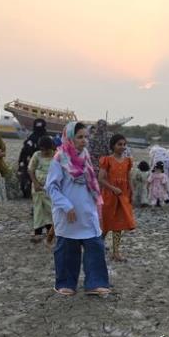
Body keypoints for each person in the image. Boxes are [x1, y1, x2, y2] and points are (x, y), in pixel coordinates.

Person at [45, 122, 110, 297]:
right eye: (80, 137)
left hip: (87, 210)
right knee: (67, 248)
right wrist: (66, 206)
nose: (84, 141)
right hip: (68, 213)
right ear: (69, 137)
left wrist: (97, 208)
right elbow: (51, 187)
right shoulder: (60, 158)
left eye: (86, 137)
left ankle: (95, 283)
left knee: (95, 245)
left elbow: (91, 185)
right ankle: (66, 283)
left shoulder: (85, 156)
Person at [98, 134, 136, 262]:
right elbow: (101, 179)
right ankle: (98, 247)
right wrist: (113, 188)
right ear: (113, 145)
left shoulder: (127, 161)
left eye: (124, 144)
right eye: (119, 144)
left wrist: (132, 191)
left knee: (119, 224)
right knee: (106, 223)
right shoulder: (107, 160)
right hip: (109, 196)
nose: (122, 147)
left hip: (123, 196)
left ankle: (116, 252)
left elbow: (128, 178)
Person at [28, 136, 55, 243]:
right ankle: (37, 232)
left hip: (51, 187)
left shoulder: (56, 155)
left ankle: (50, 230)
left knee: (50, 208)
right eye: (42, 149)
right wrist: (35, 183)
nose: (44, 152)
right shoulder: (37, 155)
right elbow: (31, 170)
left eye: (46, 150)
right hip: (38, 187)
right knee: (38, 208)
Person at [18, 118, 47, 198]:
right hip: (31, 162)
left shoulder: (44, 139)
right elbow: (24, 151)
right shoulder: (32, 139)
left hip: (40, 164)